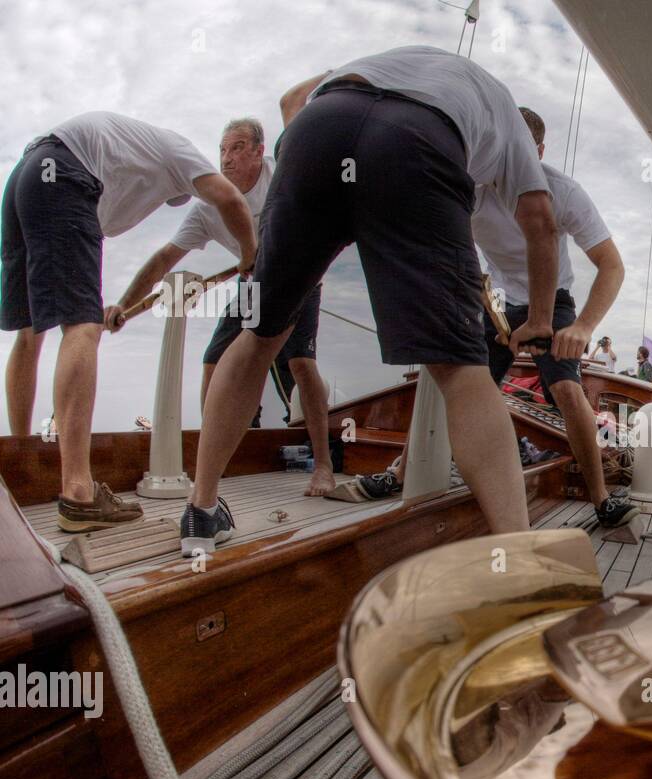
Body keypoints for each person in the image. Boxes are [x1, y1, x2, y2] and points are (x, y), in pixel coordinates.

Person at [179, 46, 560, 555]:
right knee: (462, 366)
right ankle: (518, 554)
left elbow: (293, 99)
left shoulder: (394, 58)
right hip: (419, 141)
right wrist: (537, 317)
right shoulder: (504, 110)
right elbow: (539, 218)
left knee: (259, 333)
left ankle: (201, 511)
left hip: (319, 126)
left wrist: (325, 199)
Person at [356, 108, 637, 530]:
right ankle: (401, 473)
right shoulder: (471, 189)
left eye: (520, 148)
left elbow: (611, 265)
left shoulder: (563, 192)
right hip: (497, 300)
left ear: (538, 151)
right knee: (454, 378)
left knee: (565, 387)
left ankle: (600, 498)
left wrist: (582, 327)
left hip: (553, 298)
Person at [2, 111, 256, 532]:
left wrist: (121, 305)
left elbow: (159, 261)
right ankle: (79, 493)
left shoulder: (135, 157)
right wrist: (249, 255)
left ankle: (17, 469)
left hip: (26, 177)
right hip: (65, 172)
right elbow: (229, 199)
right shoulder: (181, 152)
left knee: (30, 331)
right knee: (81, 326)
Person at [112, 116, 335, 496]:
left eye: (236, 148)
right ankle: (213, 463)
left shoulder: (282, 176)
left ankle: (324, 466)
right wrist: (123, 304)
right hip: (251, 287)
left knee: (300, 363)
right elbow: (166, 257)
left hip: (301, 279)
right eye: (222, 150)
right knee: (215, 361)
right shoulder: (207, 208)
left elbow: (324, 212)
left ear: (258, 152)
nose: (226, 159)